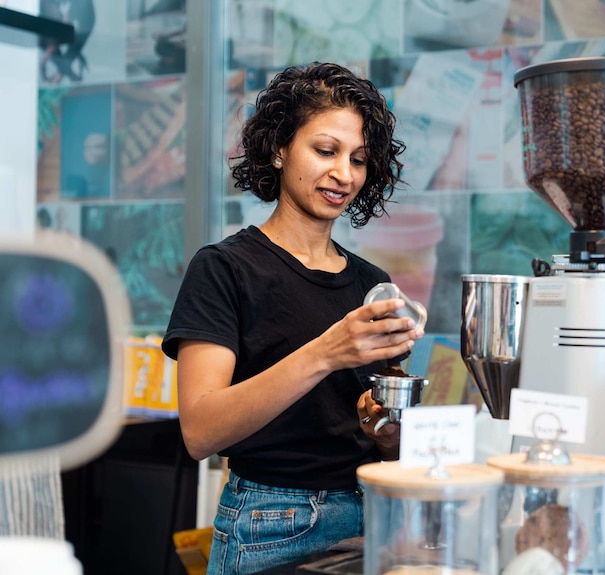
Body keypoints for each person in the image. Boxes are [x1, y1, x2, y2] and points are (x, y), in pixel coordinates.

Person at [161, 61, 424, 574]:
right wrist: (327, 353)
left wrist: (389, 433)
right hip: (271, 524)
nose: (344, 174)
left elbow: (384, 435)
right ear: (280, 148)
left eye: (360, 159)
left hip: (375, 516)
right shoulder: (225, 269)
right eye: (326, 151)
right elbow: (199, 431)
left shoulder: (371, 281)